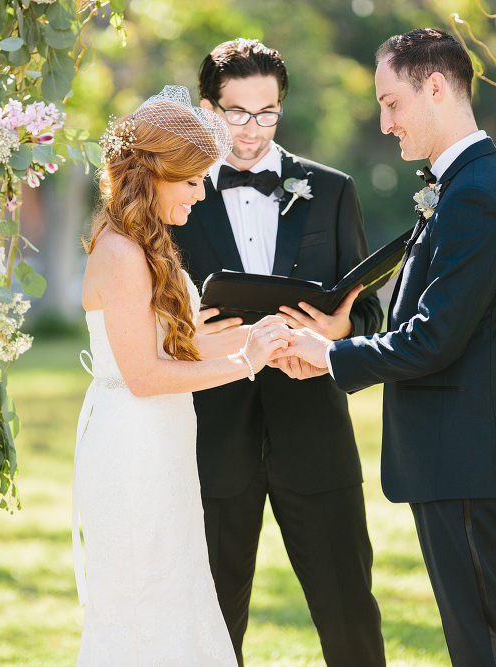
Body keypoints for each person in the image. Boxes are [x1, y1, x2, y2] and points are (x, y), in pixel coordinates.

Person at [281, 29, 496, 667]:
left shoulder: (475, 195)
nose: (385, 121)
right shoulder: (458, 186)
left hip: (464, 458)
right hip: (454, 458)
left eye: (393, 102)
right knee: (478, 640)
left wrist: (331, 358)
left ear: (435, 88)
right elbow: (436, 321)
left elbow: (434, 339)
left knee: (489, 645)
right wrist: (346, 333)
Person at [168, 39, 387, 666]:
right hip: (211, 442)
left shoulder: (334, 191)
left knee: (350, 617)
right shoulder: (174, 199)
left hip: (315, 438)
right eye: (237, 112)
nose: (253, 130)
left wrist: (333, 336)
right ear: (209, 110)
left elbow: (366, 313)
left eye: (267, 113)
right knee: (210, 628)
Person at [72, 85, 294, 666]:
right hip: (131, 444)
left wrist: (264, 337)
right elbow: (144, 374)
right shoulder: (121, 253)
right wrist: (244, 364)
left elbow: (179, 344)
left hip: (161, 439)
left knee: (175, 584)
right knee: (144, 597)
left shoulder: (148, 245)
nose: (202, 191)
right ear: (156, 175)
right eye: (193, 179)